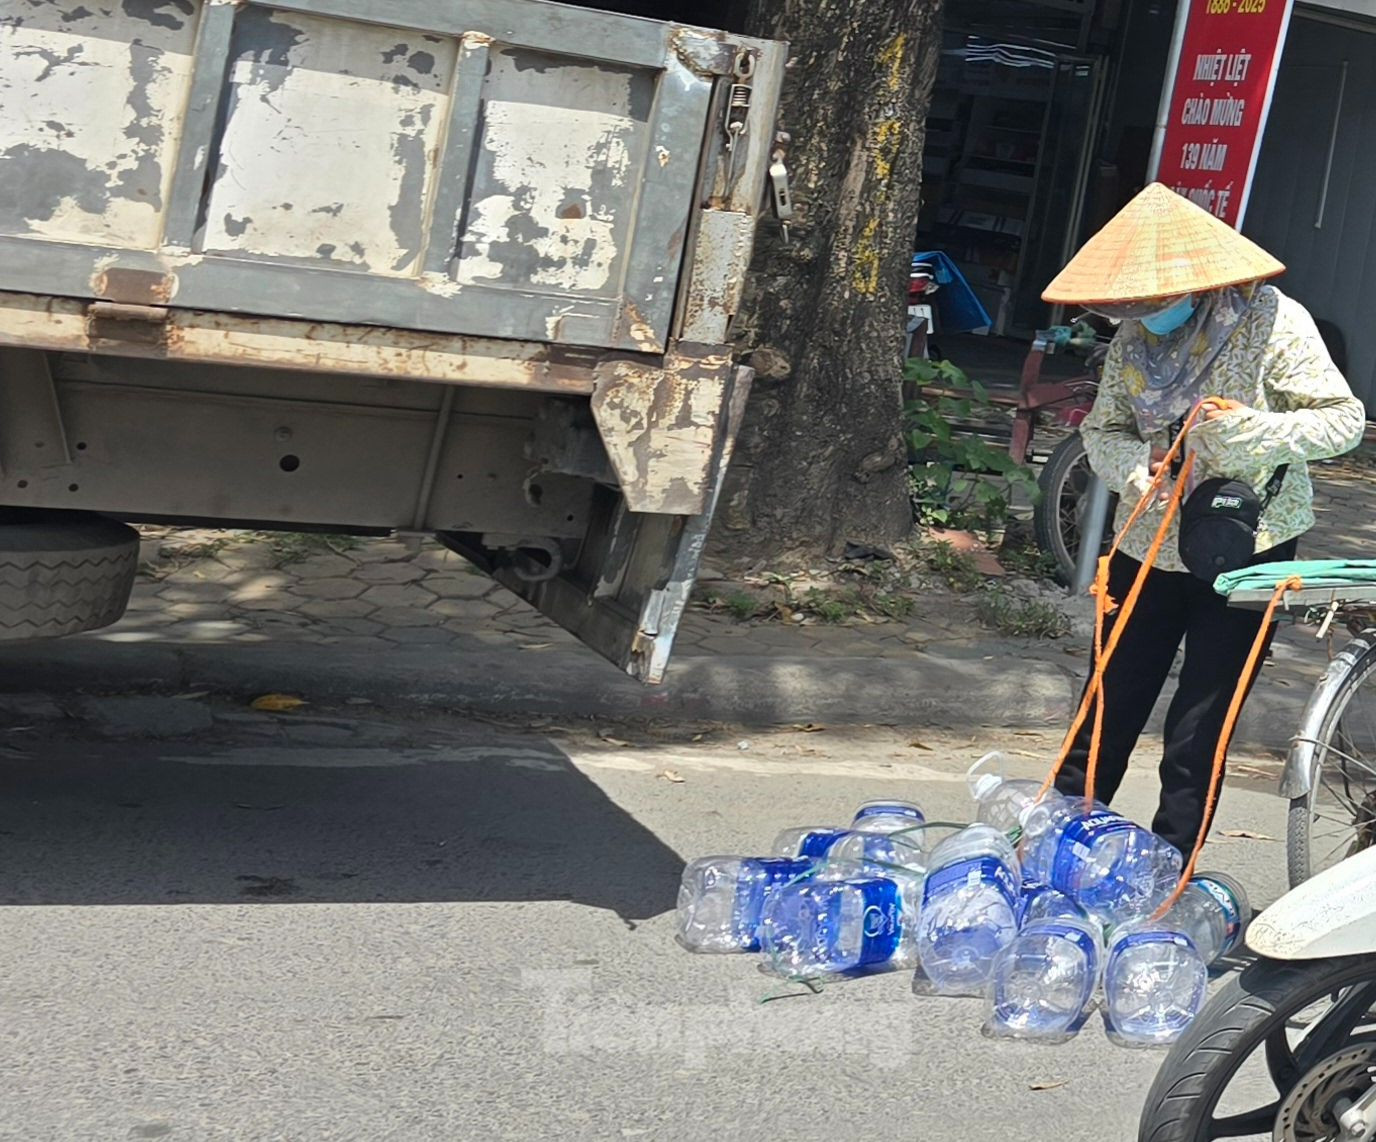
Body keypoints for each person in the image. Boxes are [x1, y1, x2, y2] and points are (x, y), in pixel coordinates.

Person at [1041, 183, 1366, 854]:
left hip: (1251, 540)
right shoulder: (1134, 339)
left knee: (1201, 724)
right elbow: (1107, 428)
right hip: (1150, 540)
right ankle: (1062, 846)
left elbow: (1344, 422)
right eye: (1131, 305)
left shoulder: (1274, 321)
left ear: (1198, 284)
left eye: (1154, 302)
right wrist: (1136, 472)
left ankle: (1169, 868)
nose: (1141, 316)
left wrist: (1256, 433)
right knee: (1109, 699)